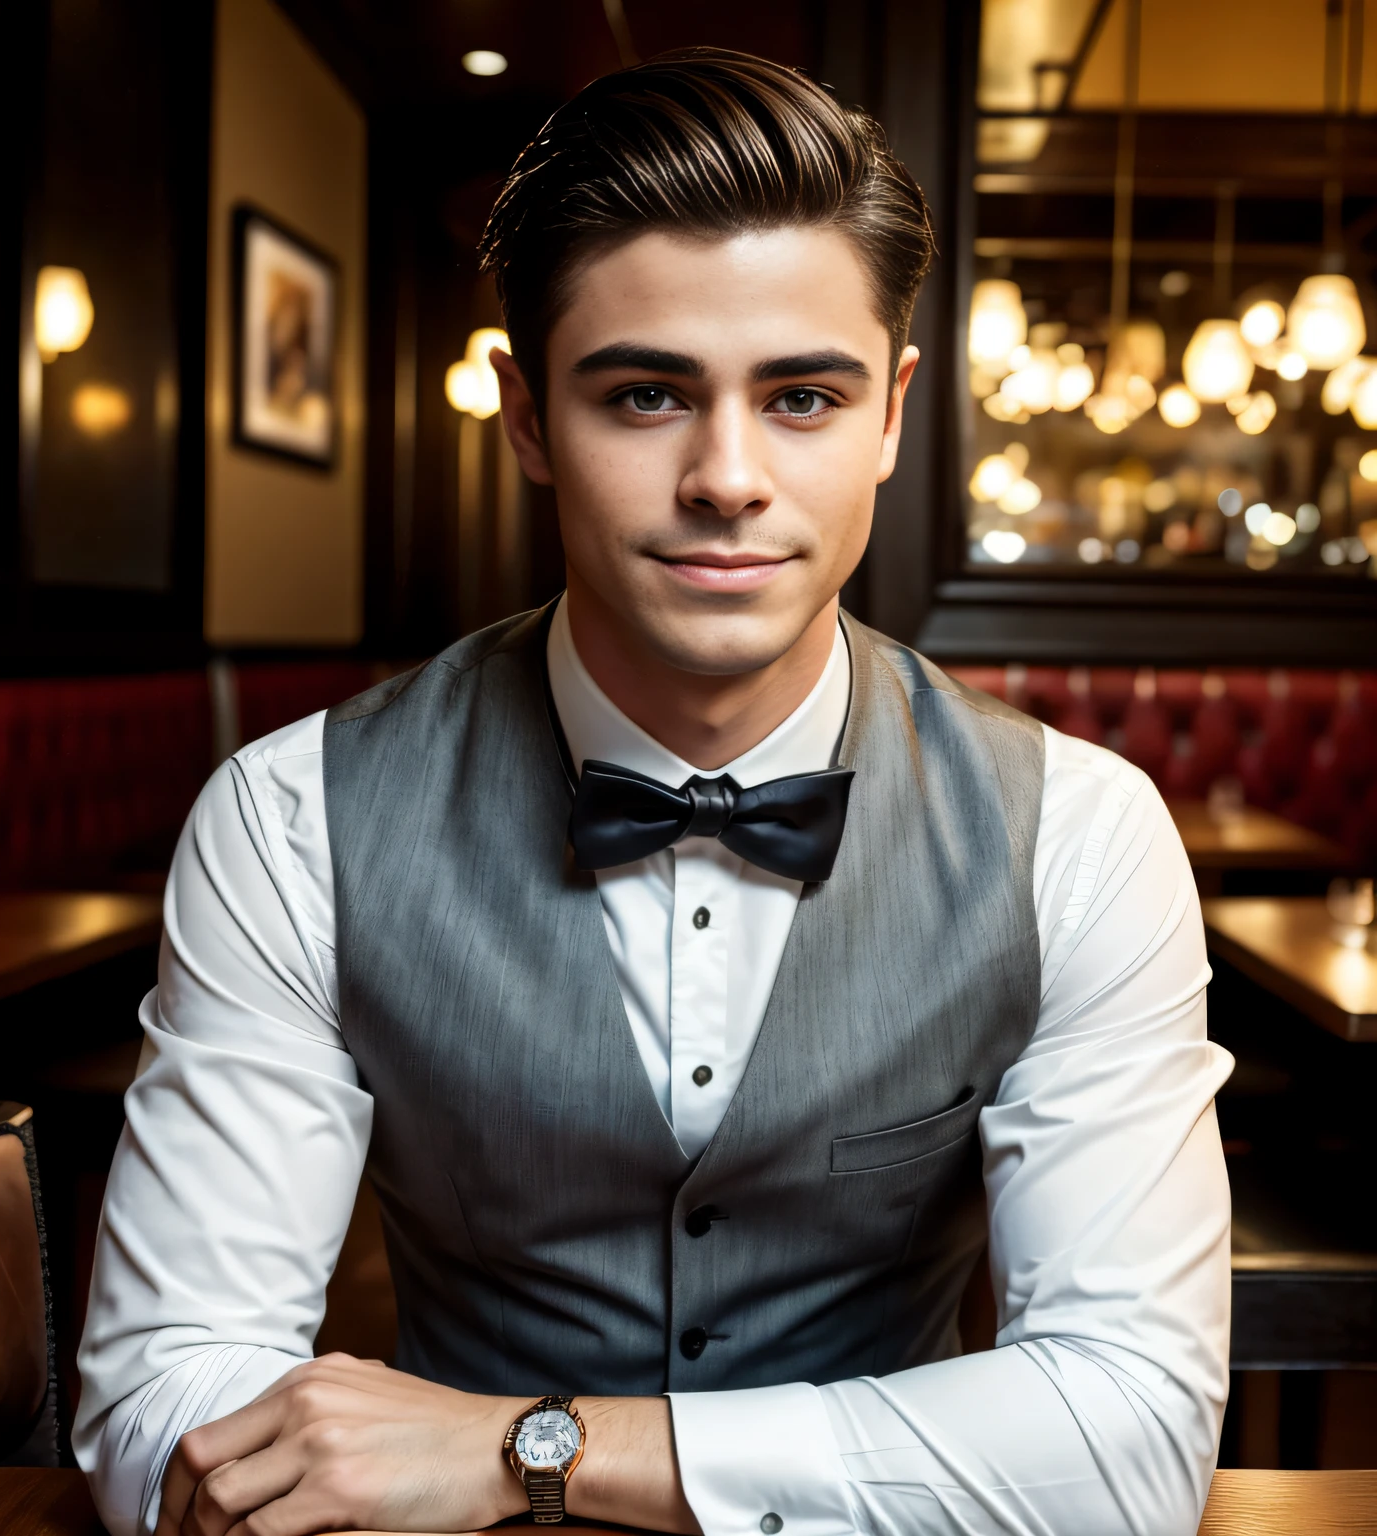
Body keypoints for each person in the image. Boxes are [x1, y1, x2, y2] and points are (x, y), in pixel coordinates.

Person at [76, 48, 1233, 1536]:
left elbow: (1133, 1442)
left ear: (892, 415)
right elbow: (157, 1411)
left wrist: (531, 1451)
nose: (728, 477)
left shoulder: (1079, 833)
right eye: (644, 396)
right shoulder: (288, 819)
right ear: (527, 417)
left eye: (804, 396)